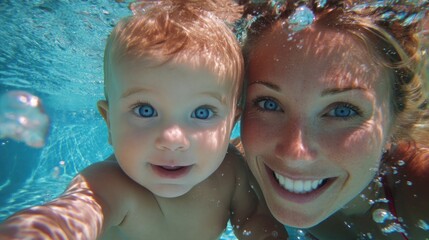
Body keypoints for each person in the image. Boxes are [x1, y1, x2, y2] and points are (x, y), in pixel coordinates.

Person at [0, 1, 287, 239]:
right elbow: (68, 217)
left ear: (231, 124)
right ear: (109, 121)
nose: (173, 139)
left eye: (202, 113)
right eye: (145, 110)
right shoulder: (107, 184)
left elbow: (254, 220)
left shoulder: (231, 172)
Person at [235, 0, 429, 239]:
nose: (295, 155)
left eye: (342, 111)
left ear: (396, 121)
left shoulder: (419, 189)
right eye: (269, 104)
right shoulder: (227, 174)